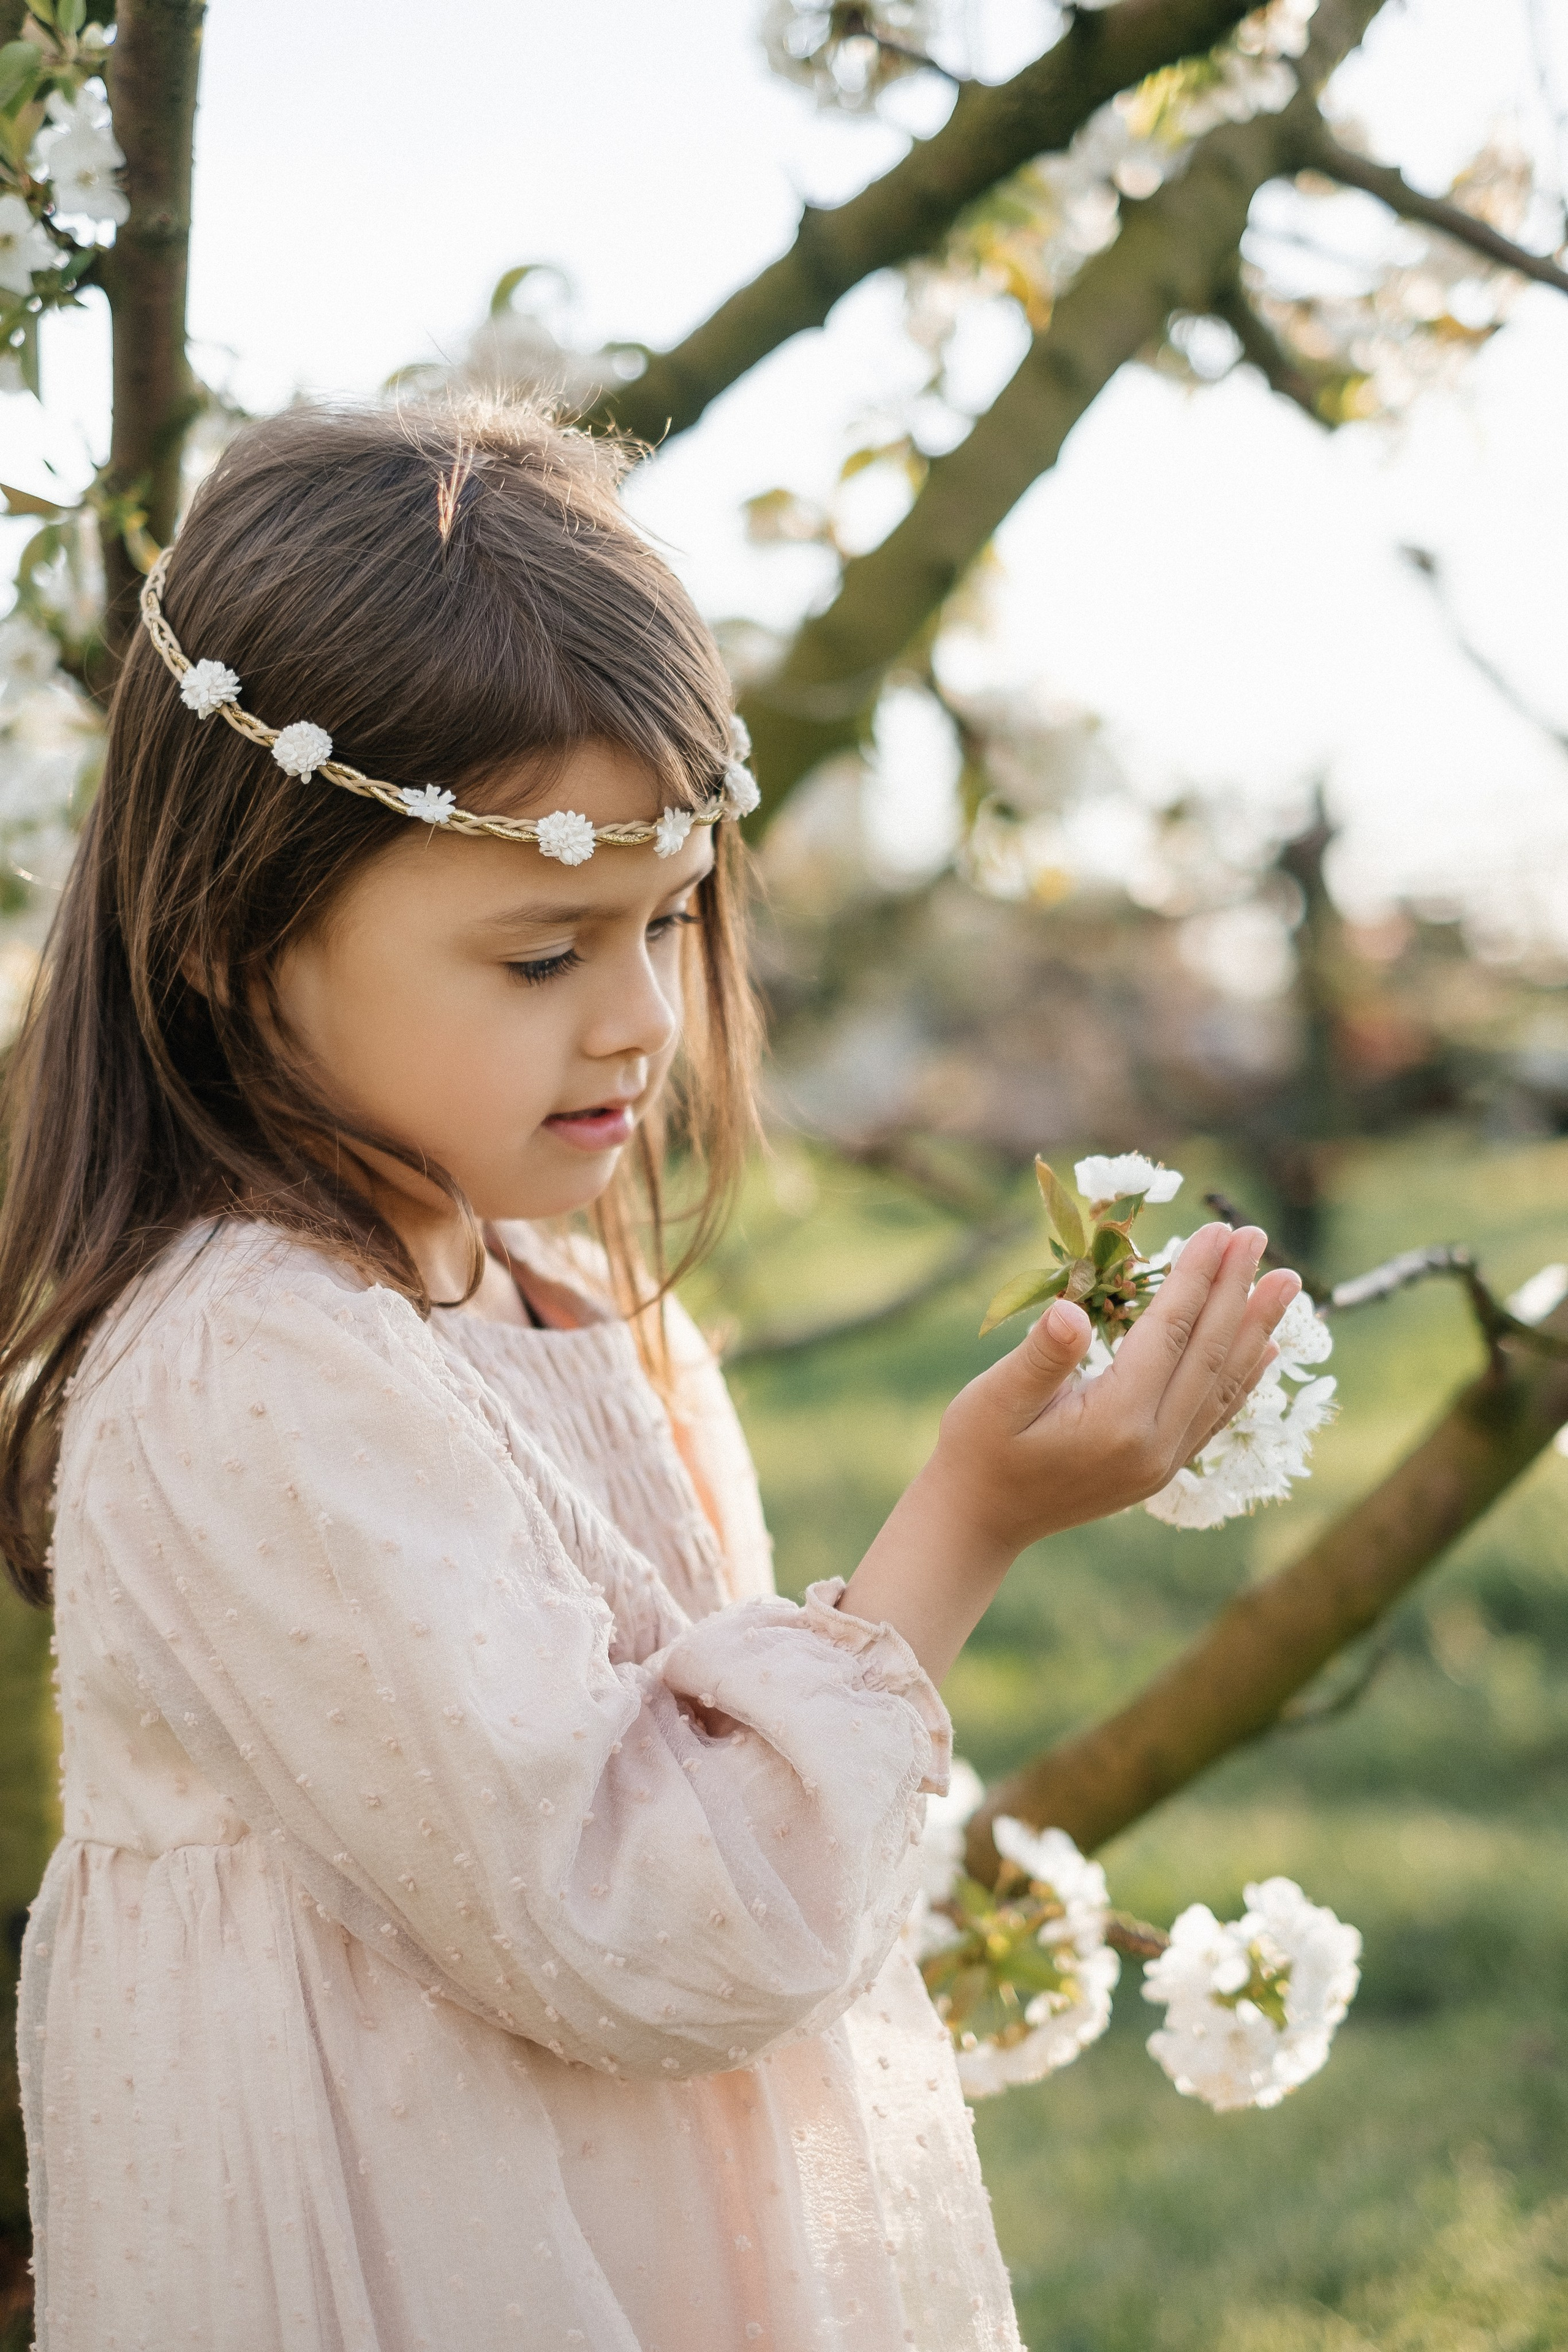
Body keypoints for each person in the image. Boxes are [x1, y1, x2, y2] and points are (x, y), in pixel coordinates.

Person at [1, 401, 1299, 2352]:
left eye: (672, 919)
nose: (640, 1020)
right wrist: (968, 1523)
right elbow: (637, 1928)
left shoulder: (569, 1297)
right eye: (541, 955)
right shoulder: (246, 1375)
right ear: (232, 934)